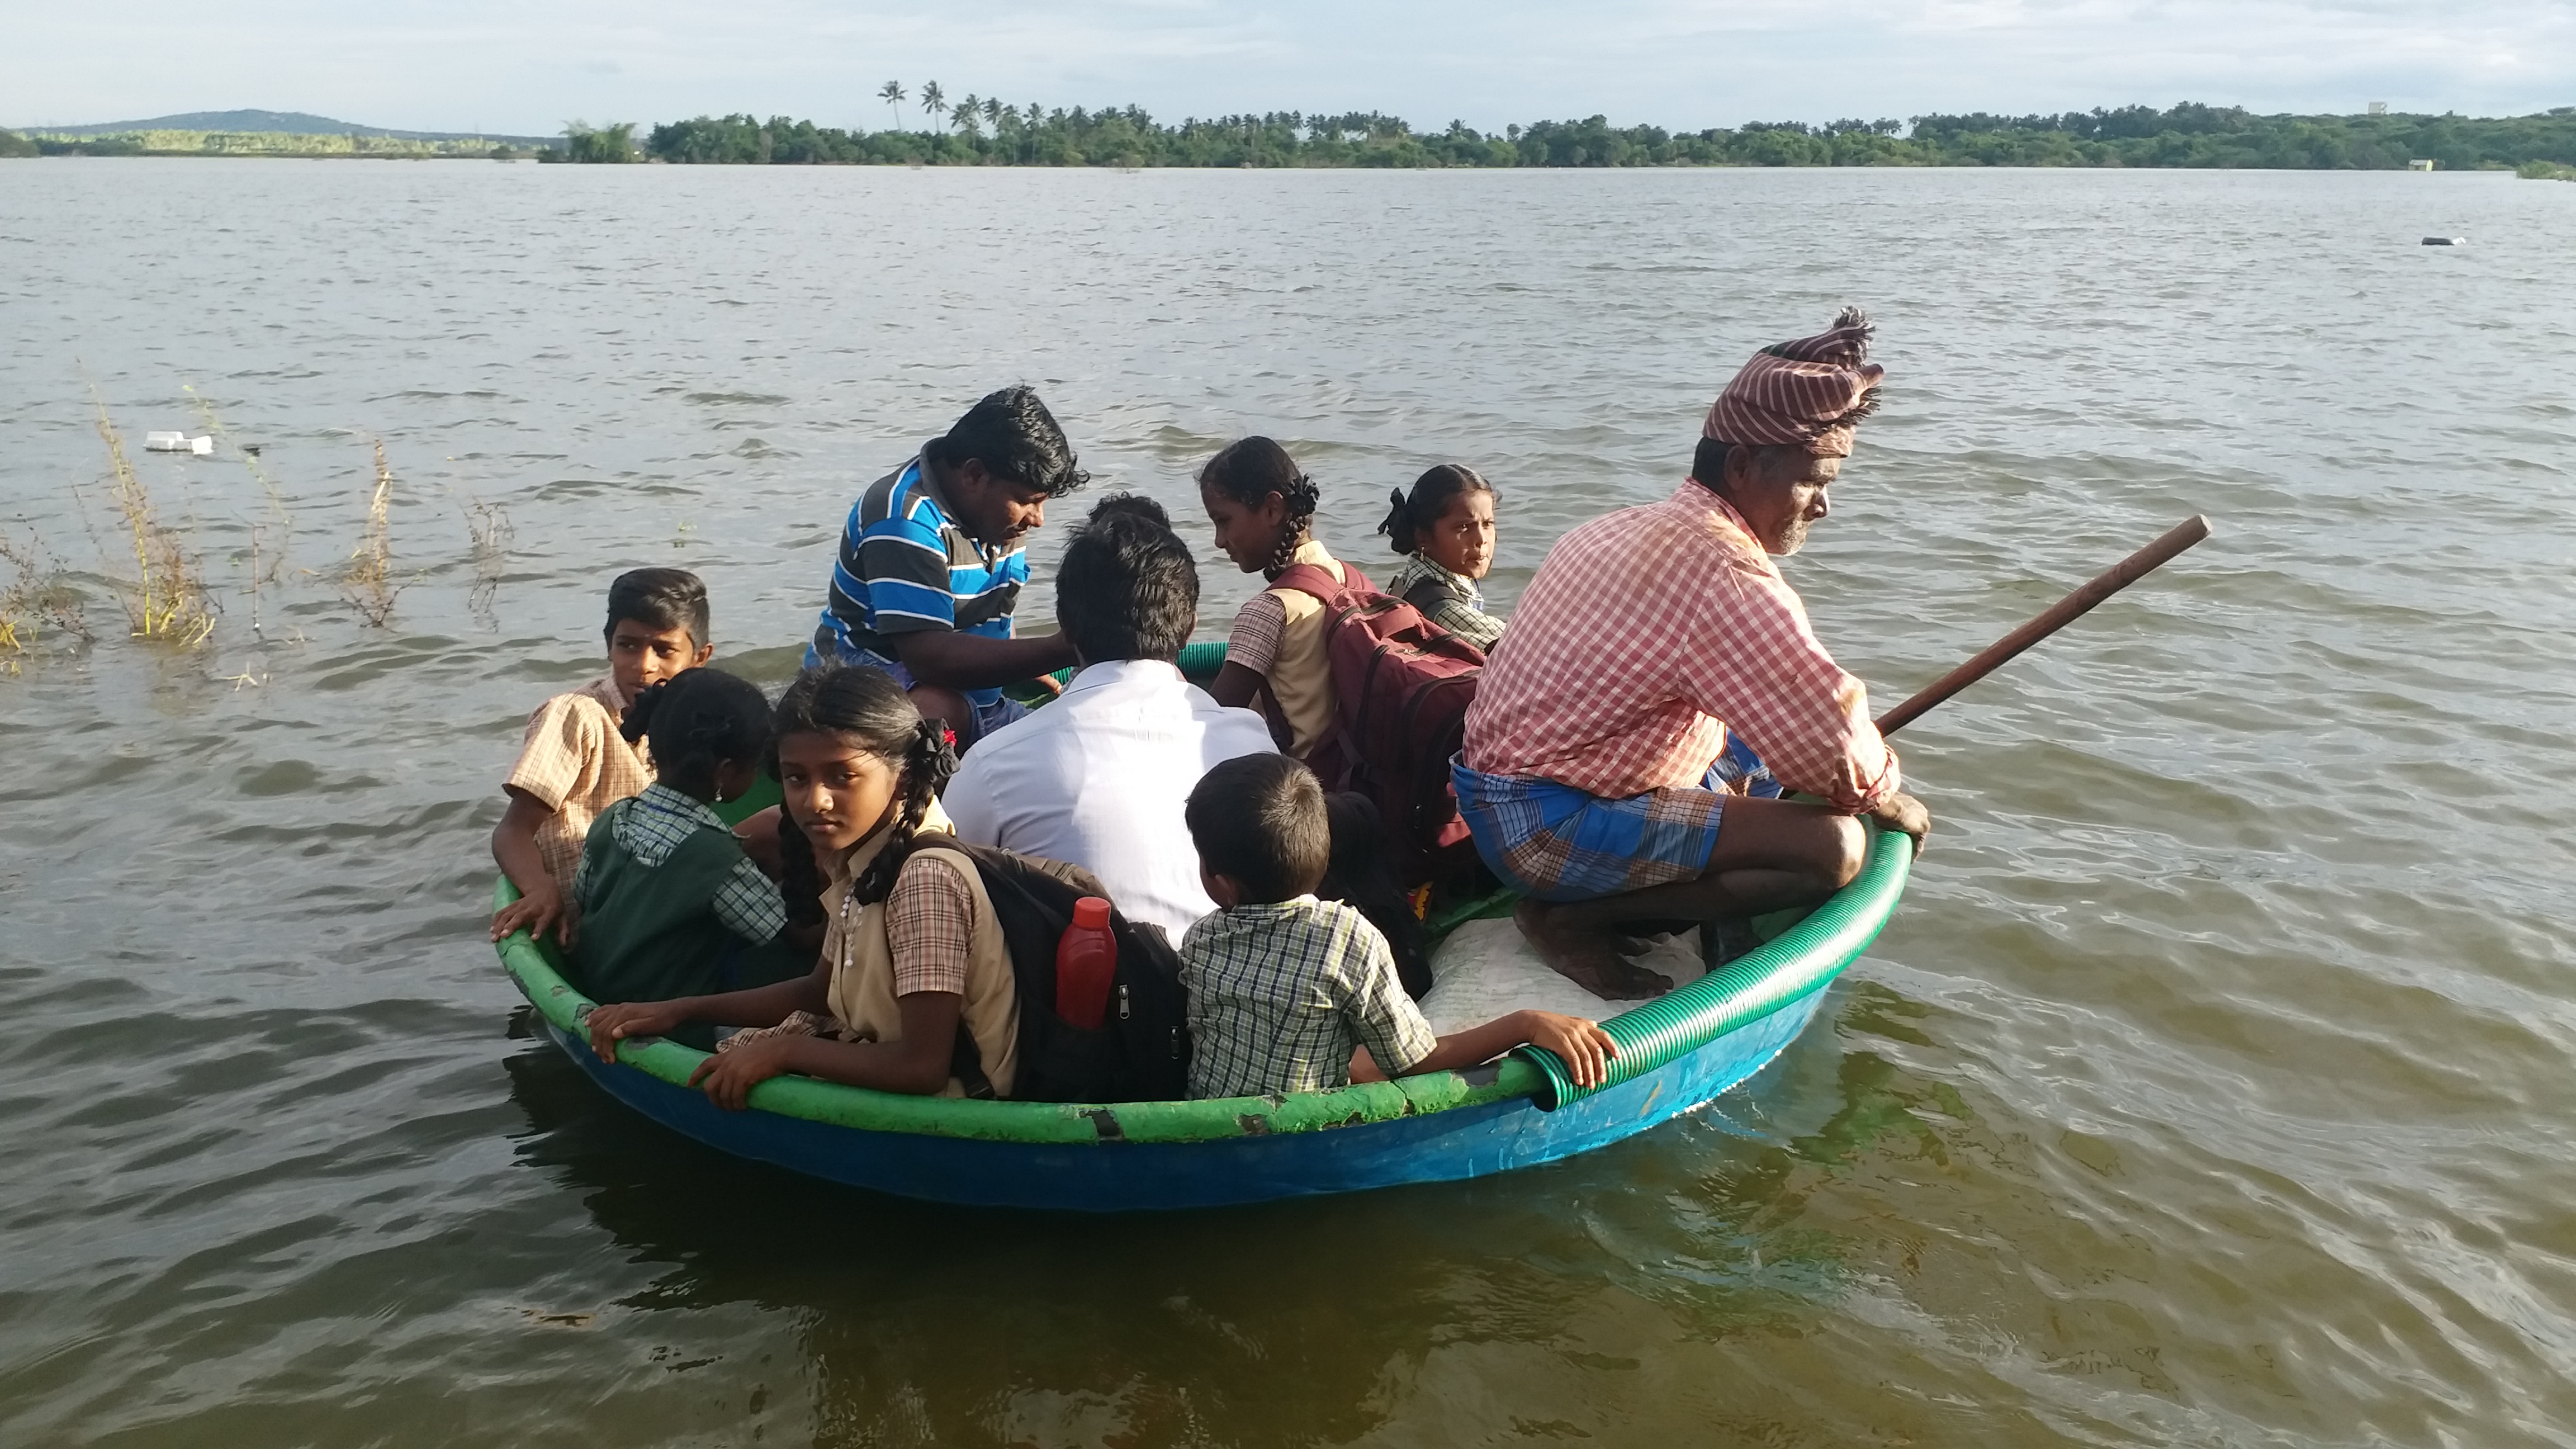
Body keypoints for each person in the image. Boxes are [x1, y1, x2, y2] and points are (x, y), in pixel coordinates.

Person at [1453, 307, 1933, 998]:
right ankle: (1571, 919)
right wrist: (1888, 797)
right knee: (1834, 850)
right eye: (1813, 483)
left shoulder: (1616, 526)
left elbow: (1797, 705)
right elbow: (1835, 741)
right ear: (1743, 466)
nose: (1823, 507)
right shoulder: (1726, 574)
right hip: (1543, 829)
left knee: (1766, 742)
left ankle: (1660, 893)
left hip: (1498, 799)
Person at [585, 666, 1022, 1104]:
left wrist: (786, 1050)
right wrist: (678, 1010)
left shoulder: (923, 881)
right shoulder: (865, 855)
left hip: (952, 1099)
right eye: (797, 778)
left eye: (842, 776)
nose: (815, 801)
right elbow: (818, 991)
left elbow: (922, 1067)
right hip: (887, 1059)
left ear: (903, 776)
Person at [1178, 754, 1616, 1100]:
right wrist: (1525, 1024)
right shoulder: (1346, 939)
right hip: (1301, 1129)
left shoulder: (1202, 939)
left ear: (1222, 883)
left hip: (1213, 1105)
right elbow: (1415, 1061)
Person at [942, 495, 1276, 941]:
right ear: (1191, 625)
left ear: (1066, 627)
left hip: (1087, 1001)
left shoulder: (992, 764)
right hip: (1236, 995)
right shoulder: (1253, 743)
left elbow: (944, 897)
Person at [806, 386, 1087, 749]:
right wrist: (1063, 648)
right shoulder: (903, 520)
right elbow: (929, 659)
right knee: (936, 713)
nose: (1038, 519)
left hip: (971, 700)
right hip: (859, 701)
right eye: (1027, 502)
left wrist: (1023, 660)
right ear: (973, 475)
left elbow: (993, 606)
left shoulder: (995, 514)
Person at [565, 668, 804, 1034]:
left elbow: (585, 898)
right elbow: (790, 935)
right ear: (726, 771)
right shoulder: (716, 857)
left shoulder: (614, 819)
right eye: (754, 766)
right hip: (669, 1023)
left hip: (599, 989)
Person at [490, 567, 711, 946]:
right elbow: (512, 831)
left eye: (664, 650)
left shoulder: (691, 722)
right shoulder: (577, 715)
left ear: (699, 658)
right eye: (628, 645)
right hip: (596, 927)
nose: (644, 666)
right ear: (609, 644)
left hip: (654, 911)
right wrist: (541, 890)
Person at [1199, 437, 1355, 763]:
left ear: (1272, 509)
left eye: (1223, 521)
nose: (1218, 541)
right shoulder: (1347, 578)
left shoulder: (1269, 610)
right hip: (1353, 775)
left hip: (1298, 787)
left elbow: (1212, 719)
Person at [1381, 464, 1504, 652]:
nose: (1481, 540)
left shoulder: (1414, 582)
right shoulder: (1443, 610)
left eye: (1487, 524)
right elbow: (1528, 650)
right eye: (1464, 527)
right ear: (1423, 536)